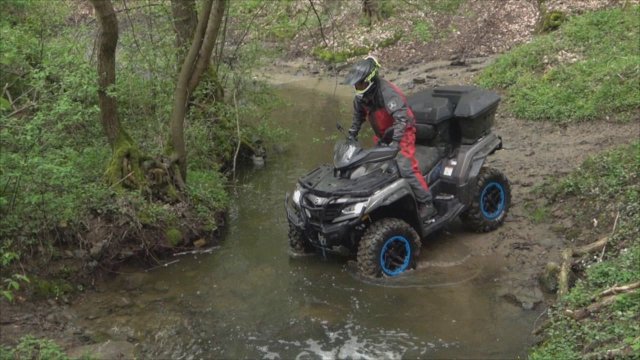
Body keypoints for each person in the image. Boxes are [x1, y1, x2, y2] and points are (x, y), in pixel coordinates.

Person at [343, 55, 437, 220]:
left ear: (370, 80)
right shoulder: (361, 96)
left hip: (403, 131)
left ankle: (427, 203)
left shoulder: (387, 92)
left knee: (405, 167)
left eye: (360, 83)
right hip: (384, 134)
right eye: (356, 84)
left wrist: (396, 143)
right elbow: (358, 117)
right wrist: (352, 134)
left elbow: (403, 118)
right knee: (373, 167)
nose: (358, 87)